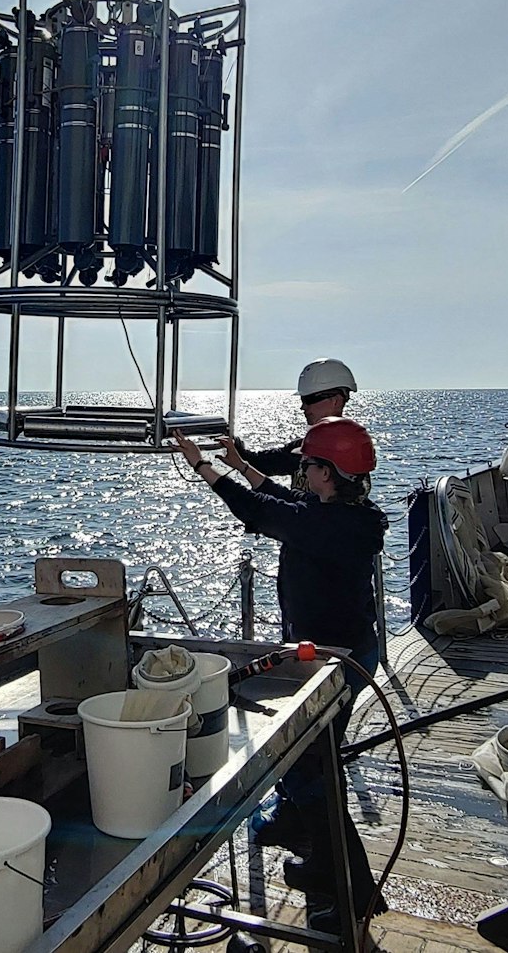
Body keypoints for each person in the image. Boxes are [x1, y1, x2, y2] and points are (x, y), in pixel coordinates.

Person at [172, 417, 390, 928]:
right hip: (339, 650)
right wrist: (241, 464)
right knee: (313, 765)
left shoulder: (331, 525)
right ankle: (320, 862)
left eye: (308, 465)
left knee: (313, 771)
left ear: (327, 472)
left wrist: (202, 467)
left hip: (338, 661)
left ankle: (350, 895)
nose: (302, 472)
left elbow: (262, 511)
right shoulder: (345, 514)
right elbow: (287, 508)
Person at [230, 358, 358, 479]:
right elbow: (263, 463)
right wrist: (234, 446)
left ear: (335, 401)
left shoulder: (348, 452)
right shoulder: (303, 446)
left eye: (309, 399)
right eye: (303, 400)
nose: (303, 407)